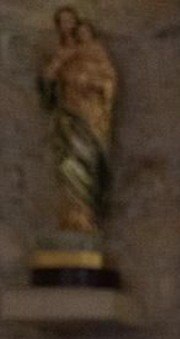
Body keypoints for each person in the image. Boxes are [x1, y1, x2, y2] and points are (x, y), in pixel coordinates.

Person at [37, 6, 117, 236]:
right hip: (67, 117)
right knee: (67, 165)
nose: (68, 26)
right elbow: (47, 88)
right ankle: (70, 218)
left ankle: (85, 217)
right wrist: (55, 68)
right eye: (62, 22)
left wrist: (91, 83)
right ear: (57, 26)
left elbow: (108, 82)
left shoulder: (95, 51)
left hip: (90, 117)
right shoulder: (58, 52)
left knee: (87, 163)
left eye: (70, 21)